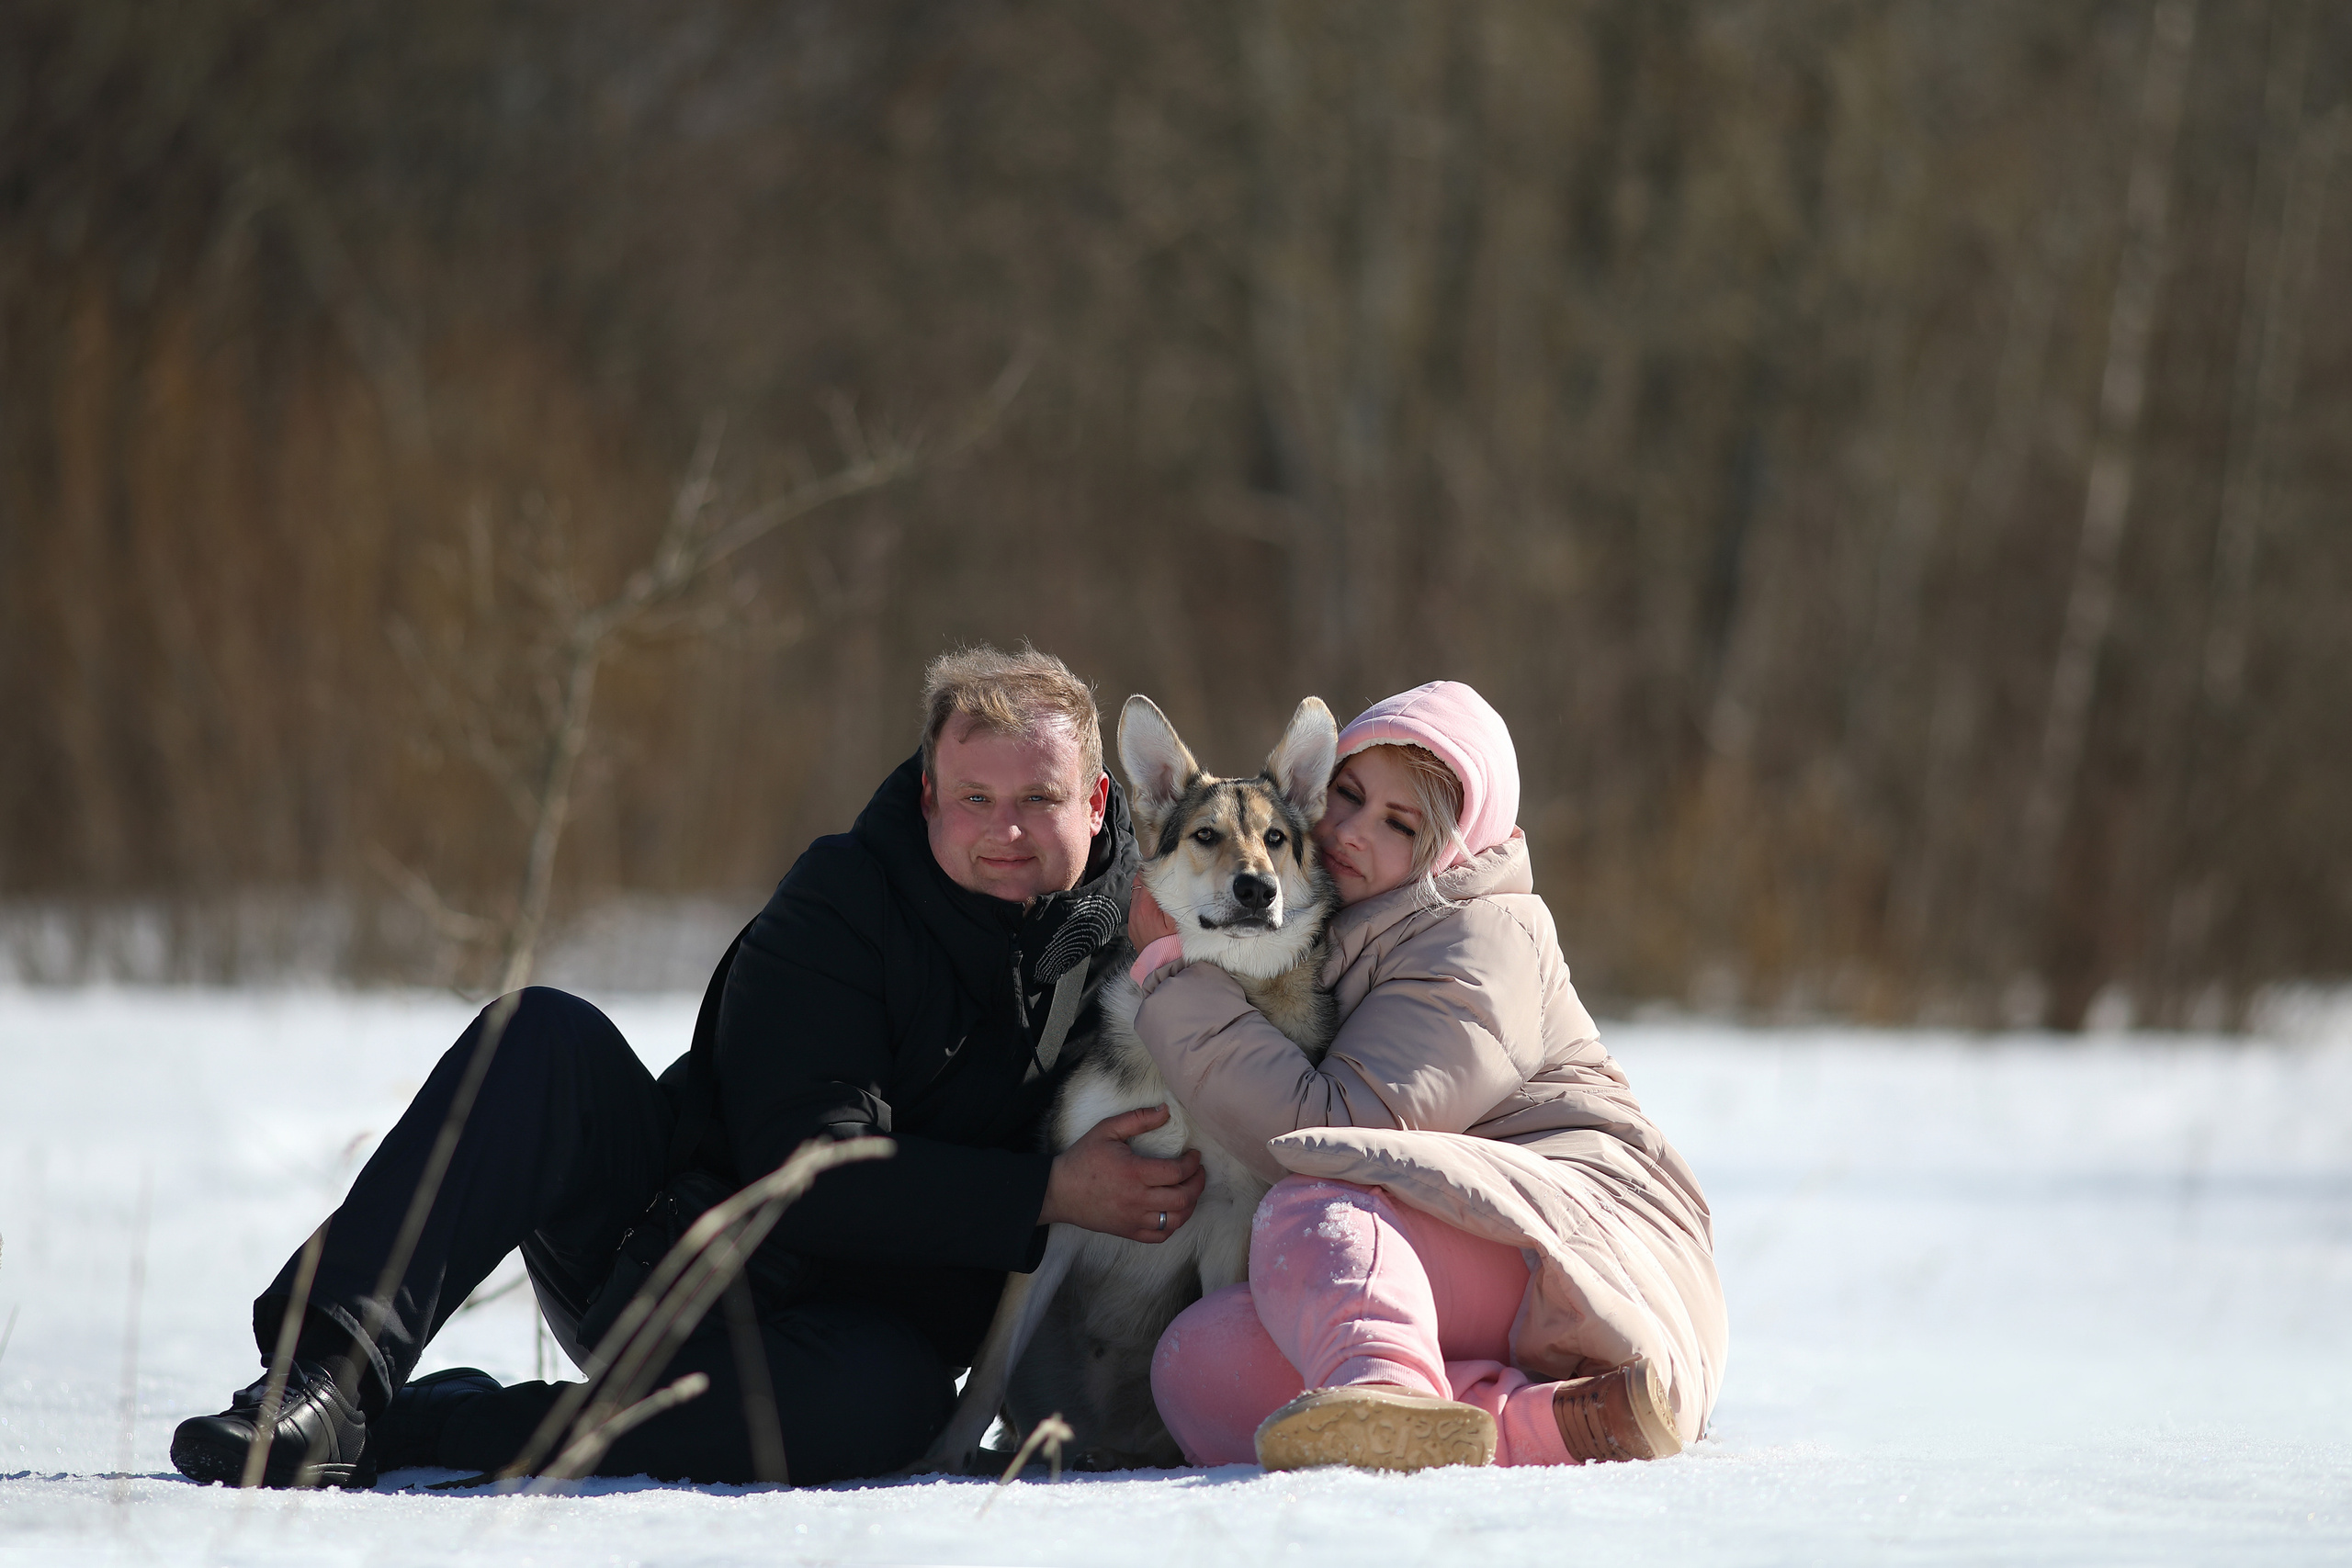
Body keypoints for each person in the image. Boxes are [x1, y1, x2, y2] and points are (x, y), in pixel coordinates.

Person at [170, 644, 1208, 1487]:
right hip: (661, 1263)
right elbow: (809, 1171)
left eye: (1038, 796)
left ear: (1098, 799)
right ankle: (325, 1387)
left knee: (880, 1418)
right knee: (540, 1036)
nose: (1006, 831)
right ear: (930, 792)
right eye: (975, 798)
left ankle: (451, 1429)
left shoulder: (1153, 928)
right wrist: (1050, 1191)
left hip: (853, 1354)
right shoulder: (839, 906)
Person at [1131, 680, 1727, 1472]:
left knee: (1312, 1210)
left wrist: (1173, 973)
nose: (1347, 830)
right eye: (1346, 794)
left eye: (1398, 823)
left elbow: (1331, 1136)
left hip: (1592, 1255)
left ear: (1450, 847)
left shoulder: (1482, 938)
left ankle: (1389, 1391)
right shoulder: (1355, 929)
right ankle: (1547, 1423)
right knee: (1201, 1359)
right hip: (1486, 1248)